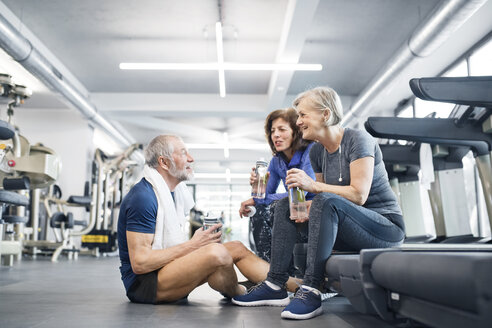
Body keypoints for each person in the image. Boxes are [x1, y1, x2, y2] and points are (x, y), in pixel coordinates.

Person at [232, 87, 405, 320]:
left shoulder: (358, 140)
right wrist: (302, 209)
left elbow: (358, 195)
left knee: (323, 199)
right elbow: (321, 203)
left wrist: (313, 187)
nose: (299, 121)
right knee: (286, 206)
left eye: (303, 115)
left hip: (384, 228)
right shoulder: (318, 153)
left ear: (325, 115)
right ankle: (275, 284)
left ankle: (312, 289)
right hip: (349, 228)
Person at [117, 134, 300, 305]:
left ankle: (300, 288)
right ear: (164, 162)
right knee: (216, 253)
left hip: (167, 271)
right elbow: (140, 263)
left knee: (234, 247)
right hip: (145, 286)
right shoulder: (143, 197)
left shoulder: (172, 194)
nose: (191, 158)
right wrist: (194, 244)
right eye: (183, 153)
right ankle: (243, 292)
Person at [239, 108, 315, 262]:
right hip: (292, 207)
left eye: (282, 129)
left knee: (275, 207)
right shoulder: (276, 161)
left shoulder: (311, 151)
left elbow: (301, 193)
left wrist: (262, 199)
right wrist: (256, 189)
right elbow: (263, 197)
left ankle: (277, 271)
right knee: (259, 210)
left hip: (310, 207)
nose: (276, 135)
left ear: (296, 132)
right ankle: (265, 267)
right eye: (273, 131)